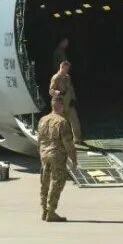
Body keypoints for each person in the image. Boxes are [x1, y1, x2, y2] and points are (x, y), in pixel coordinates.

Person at [37, 93, 77, 222]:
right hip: (57, 155)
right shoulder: (62, 122)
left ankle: (44, 209)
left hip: (44, 154)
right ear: (60, 105)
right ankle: (51, 210)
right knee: (57, 181)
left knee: (45, 181)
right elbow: (68, 143)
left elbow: (39, 140)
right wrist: (73, 158)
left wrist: (41, 154)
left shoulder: (43, 120)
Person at [48, 61, 83, 144]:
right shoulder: (56, 77)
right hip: (59, 103)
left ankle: (77, 139)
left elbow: (70, 88)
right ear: (61, 67)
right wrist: (58, 93)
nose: (67, 70)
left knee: (74, 120)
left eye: (68, 68)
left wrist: (73, 99)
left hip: (69, 102)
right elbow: (51, 90)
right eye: (66, 68)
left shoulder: (67, 77)